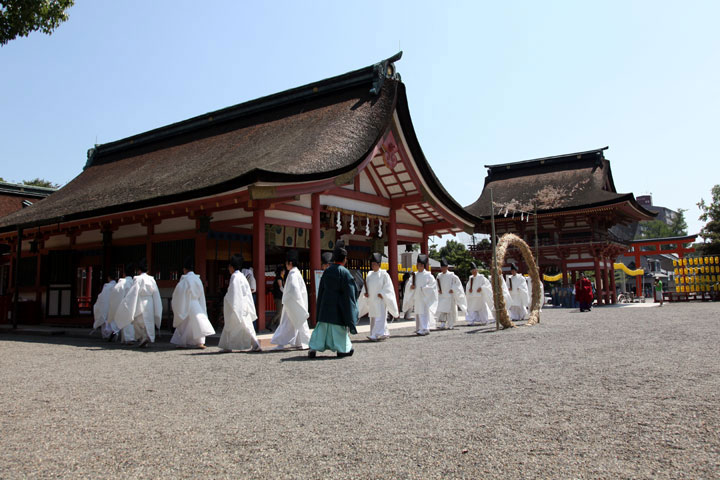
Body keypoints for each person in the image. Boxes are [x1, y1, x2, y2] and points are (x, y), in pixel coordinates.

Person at [308, 241, 359, 357]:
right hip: (338, 310)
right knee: (338, 332)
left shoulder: (326, 272)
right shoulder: (345, 273)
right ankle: (342, 349)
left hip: (325, 308)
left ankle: (313, 348)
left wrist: (319, 309)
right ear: (345, 259)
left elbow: (321, 292)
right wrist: (351, 312)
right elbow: (350, 295)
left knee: (321, 331)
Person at [115, 258, 162, 348]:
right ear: (147, 270)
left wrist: (128, 302)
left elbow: (133, 292)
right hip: (150, 302)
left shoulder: (138, 279)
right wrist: (157, 307)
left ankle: (143, 338)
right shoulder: (152, 279)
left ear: (139, 270)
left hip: (140, 301)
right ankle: (146, 337)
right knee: (148, 321)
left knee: (138, 321)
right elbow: (156, 294)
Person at [219, 254, 262, 352]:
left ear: (232, 267)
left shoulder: (235, 277)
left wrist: (228, 299)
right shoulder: (242, 277)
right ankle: (227, 346)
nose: (228, 268)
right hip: (244, 305)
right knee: (244, 326)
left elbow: (233, 293)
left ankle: (254, 344)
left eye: (229, 266)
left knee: (240, 326)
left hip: (237, 305)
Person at [170, 257, 215, 349]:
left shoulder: (185, 280)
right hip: (196, 303)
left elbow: (179, 293)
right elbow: (201, 294)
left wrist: (177, 304)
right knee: (198, 322)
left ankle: (182, 342)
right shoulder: (197, 279)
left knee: (185, 324)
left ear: (184, 269)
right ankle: (200, 342)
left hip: (186, 303)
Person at [270, 250, 311, 350]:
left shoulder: (293, 274)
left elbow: (293, 290)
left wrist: (290, 300)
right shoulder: (296, 273)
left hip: (293, 303)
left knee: (287, 324)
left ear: (290, 263)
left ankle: (281, 343)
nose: (285, 264)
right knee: (297, 324)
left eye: (286, 262)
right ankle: (301, 342)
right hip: (295, 303)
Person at [357, 252, 398, 341]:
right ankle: (383, 333)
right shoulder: (370, 274)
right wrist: (365, 293)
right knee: (373, 317)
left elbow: (388, 287)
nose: (373, 266)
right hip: (372, 299)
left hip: (380, 299)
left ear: (379, 264)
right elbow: (366, 286)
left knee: (380, 317)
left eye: (375, 264)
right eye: (372, 264)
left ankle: (375, 335)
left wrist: (383, 293)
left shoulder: (384, 274)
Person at [402, 254, 438, 335]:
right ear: (416, 265)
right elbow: (409, 285)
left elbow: (432, 286)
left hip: (424, 297)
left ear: (424, 266)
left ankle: (425, 328)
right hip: (417, 297)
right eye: (419, 265)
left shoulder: (428, 275)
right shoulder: (415, 275)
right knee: (418, 313)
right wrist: (411, 287)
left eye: (421, 265)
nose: (420, 266)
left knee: (424, 313)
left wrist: (424, 289)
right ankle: (419, 328)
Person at [435, 258, 467, 330]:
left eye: (444, 267)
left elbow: (457, 284)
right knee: (442, 310)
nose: (443, 268)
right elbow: (436, 284)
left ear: (447, 267)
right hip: (442, 295)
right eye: (442, 267)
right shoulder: (439, 276)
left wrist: (453, 289)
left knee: (450, 310)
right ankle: (442, 323)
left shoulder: (452, 275)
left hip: (450, 295)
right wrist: (438, 289)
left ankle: (450, 324)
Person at [107, 263, 136, 344]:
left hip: (124, 303)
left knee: (124, 321)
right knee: (130, 321)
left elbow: (115, 293)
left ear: (124, 274)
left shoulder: (122, 282)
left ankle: (126, 338)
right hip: (133, 303)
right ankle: (128, 338)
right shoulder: (135, 282)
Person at [92, 273, 117, 339]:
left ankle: (107, 335)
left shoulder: (107, 286)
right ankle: (114, 332)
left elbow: (102, 297)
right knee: (113, 320)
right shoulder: (118, 285)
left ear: (109, 278)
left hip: (106, 305)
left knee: (105, 319)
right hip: (115, 305)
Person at [268, 264, 286, 332]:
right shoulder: (279, 278)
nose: (284, 272)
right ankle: (270, 324)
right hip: (278, 297)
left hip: (280, 297)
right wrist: (286, 294)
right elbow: (281, 287)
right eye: (283, 270)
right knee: (279, 312)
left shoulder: (280, 277)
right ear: (281, 271)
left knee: (280, 313)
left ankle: (278, 326)